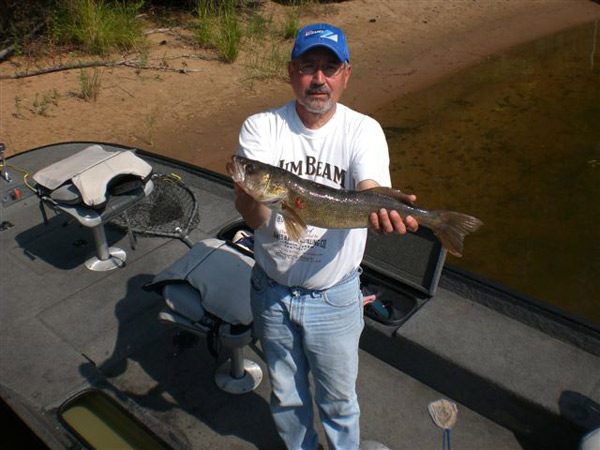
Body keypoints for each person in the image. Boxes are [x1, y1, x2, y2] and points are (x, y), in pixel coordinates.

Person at [230, 23, 418, 450]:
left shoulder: (363, 130)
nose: (319, 79)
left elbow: (369, 189)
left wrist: (383, 208)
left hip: (335, 297)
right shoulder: (261, 127)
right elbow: (257, 218)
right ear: (291, 71)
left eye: (329, 68)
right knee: (286, 395)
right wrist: (247, 191)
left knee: (338, 400)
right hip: (271, 292)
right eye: (309, 67)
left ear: (346, 74)